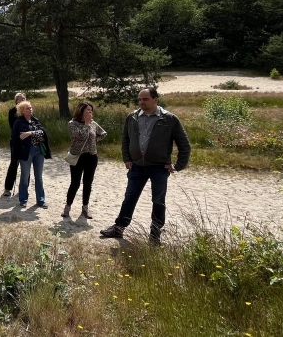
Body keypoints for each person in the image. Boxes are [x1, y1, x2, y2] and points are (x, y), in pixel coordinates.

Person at [100, 87, 191, 245]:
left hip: (159, 168)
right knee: (129, 198)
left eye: (145, 99)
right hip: (136, 166)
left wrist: (178, 165)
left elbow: (184, 144)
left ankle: (154, 236)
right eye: (140, 99)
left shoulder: (169, 119)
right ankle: (118, 228)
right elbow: (125, 140)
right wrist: (127, 158)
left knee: (158, 201)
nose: (141, 102)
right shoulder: (132, 117)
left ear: (156, 100)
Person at [62, 102, 107, 219]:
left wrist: (95, 140)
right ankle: (67, 207)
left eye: (91, 110)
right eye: (88, 110)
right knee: (75, 183)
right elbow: (80, 136)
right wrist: (86, 124)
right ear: (81, 110)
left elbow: (103, 133)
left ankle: (85, 208)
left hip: (92, 157)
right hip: (78, 156)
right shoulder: (72, 124)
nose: (90, 112)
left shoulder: (93, 124)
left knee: (88, 183)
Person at [11, 100, 51, 208]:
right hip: (26, 152)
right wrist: (16, 154)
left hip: (38, 151)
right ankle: (23, 199)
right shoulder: (19, 122)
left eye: (31, 107)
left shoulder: (35, 120)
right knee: (25, 176)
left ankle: (41, 200)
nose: (30, 109)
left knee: (39, 176)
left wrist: (30, 133)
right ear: (22, 111)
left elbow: (42, 132)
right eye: (27, 108)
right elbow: (16, 138)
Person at [3, 92, 26, 197]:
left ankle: (24, 188)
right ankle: (8, 188)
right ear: (16, 100)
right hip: (16, 141)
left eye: (24, 98)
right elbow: (13, 126)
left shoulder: (28, 110)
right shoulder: (12, 111)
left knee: (25, 165)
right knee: (13, 164)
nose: (23, 100)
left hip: (26, 142)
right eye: (21, 98)